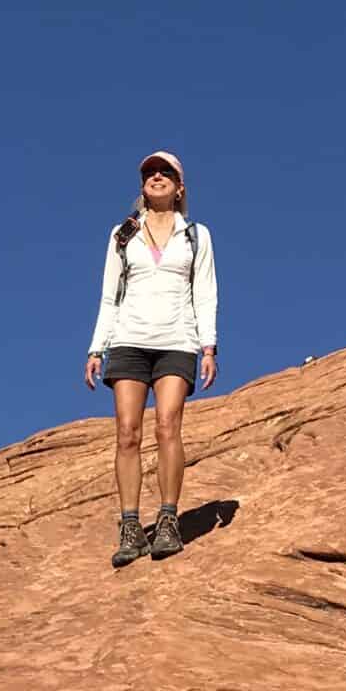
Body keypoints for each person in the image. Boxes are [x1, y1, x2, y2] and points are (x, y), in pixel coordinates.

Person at [84, 150, 219, 567]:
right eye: (149, 174)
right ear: (142, 186)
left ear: (179, 188)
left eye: (166, 173)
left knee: (167, 426)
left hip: (176, 341)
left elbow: (205, 292)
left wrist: (208, 346)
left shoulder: (196, 235)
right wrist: (96, 347)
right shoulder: (122, 235)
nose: (156, 177)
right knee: (127, 432)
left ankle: (167, 519)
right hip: (129, 341)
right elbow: (110, 296)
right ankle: (129, 526)